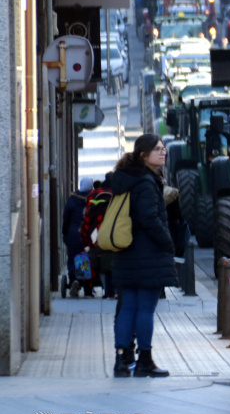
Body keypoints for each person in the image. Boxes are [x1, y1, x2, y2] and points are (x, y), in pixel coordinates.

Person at [110, 135, 177, 377]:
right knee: (145, 310)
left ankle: (121, 361)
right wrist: (168, 243)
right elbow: (149, 218)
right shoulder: (147, 183)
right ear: (143, 155)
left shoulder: (126, 179)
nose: (163, 153)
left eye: (163, 149)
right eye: (157, 150)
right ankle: (144, 361)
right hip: (148, 254)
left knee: (128, 307)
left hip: (126, 254)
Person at [81, 174, 115, 299]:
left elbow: (86, 222)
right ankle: (110, 292)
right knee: (109, 265)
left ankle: (88, 290)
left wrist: (85, 240)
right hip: (110, 237)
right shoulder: (116, 197)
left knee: (90, 262)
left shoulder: (92, 198)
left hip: (93, 236)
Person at [62, 177, 94, 297]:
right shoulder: (94, 199)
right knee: (90, 257)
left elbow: (66, 219)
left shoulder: (72, 199)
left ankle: (74, 279)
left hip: (74, 233)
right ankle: (88, 287)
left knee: (73, 257)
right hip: (90, 233)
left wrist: (65, 234)